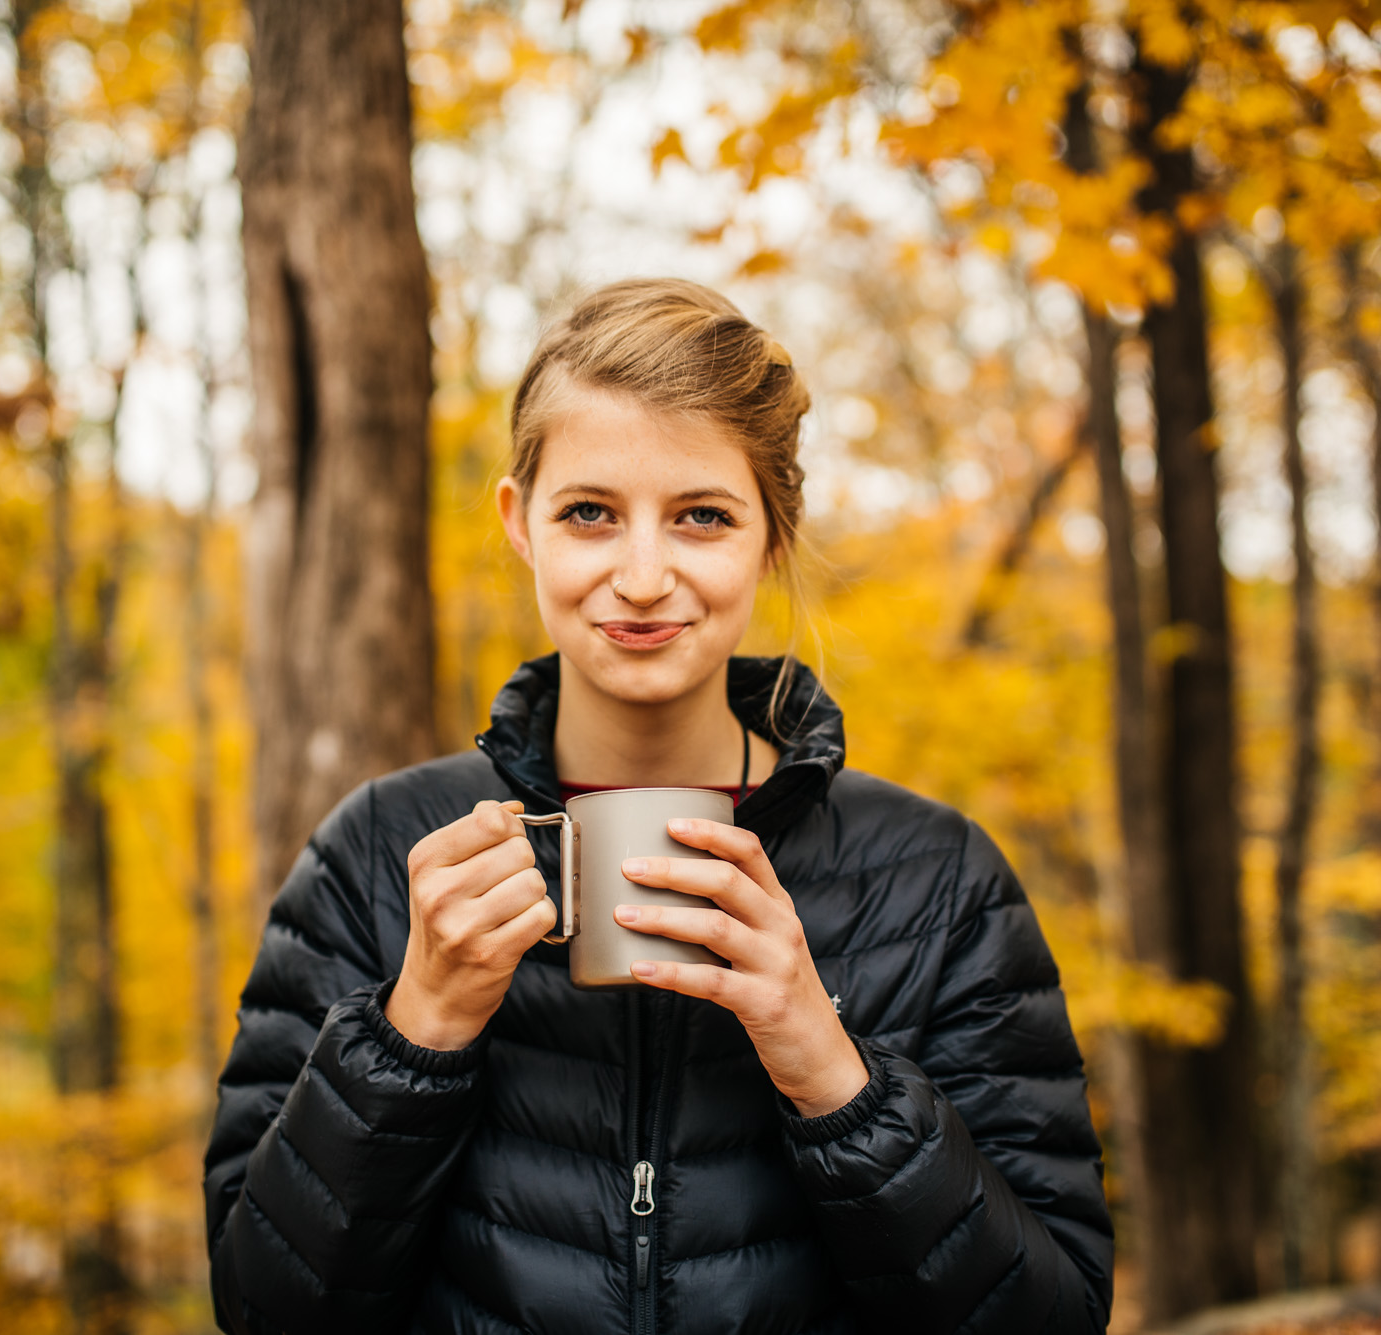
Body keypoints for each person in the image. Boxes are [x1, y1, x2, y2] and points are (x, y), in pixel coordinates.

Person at [203, 279, 1113, 1334]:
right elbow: (265, 1310)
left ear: (771, 534)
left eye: (701, 518)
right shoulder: (376, 855)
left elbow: (1049, 1318)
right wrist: (416, 1032)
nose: (641, 576)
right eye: (589, 513)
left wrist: (826, 1067)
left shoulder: (937, 880)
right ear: (519, 524)